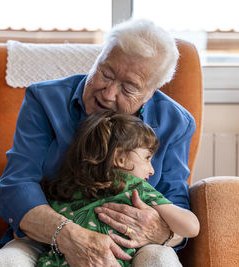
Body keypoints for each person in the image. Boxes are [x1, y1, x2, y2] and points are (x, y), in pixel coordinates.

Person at [0, 18, 197, 266]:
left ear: (151, 91)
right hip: (46, 237)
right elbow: (17, 183)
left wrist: (160, 233)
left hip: (132, 243)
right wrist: (69, 235)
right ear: (98, 58)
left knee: (160, 261)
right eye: (105, 73)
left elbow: (178, 203)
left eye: (128, 89)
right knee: (3, 263)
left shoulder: (176, 123)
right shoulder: (44, 99)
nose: (107, 94)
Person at [36, 110, 199, 267]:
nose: (152, 169)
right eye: (147, 158)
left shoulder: (70, 188)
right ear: (120, 158)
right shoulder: (136, 188)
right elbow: (191, 227)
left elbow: (35, 229)